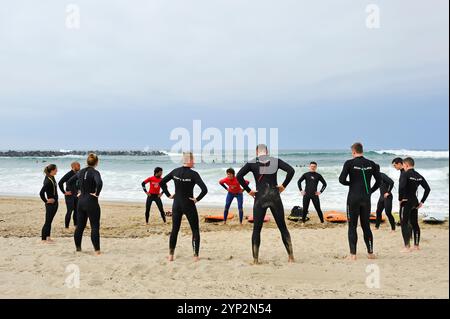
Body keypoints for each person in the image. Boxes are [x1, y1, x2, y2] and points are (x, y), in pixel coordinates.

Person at [236, 144, 295, 264]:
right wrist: (283, 186)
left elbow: (239, 176)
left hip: (260, 197)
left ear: (257, 152)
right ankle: (291, 257)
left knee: (257, 229)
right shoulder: (275, 161)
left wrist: (249, 190)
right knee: (282, 227)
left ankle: (255, 260)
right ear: (267, 151)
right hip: (274, 196)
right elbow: (291, 170)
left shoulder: (252, 163)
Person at [160, 152, 208, 262]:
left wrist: (168, 195)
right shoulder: (194, 174)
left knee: (174, 230)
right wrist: (197, 199)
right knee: (195, 230)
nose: (194, 162)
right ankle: (195, 256)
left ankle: (171, 255)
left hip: (176, 204)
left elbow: (162, 182)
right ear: (189, 160)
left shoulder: (175, 171)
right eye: (193, 159)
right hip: (189, 205)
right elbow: (204, 190)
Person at [339, 143, 381, 260]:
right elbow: (379, 181)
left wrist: (351, 183)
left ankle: (353, 255)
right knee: (366, 226)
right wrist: (370, 191)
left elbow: (341, 180)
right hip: (366, 198)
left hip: (353, 198)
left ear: (353, 151)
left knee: (352, 226)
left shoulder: (349, 163)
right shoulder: (371, 164)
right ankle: (370, 253)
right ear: (362, 150)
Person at [69, 153, 103, 255]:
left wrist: (76, 193)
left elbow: (69, 182)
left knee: (80, 226)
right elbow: (99, 183)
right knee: (95, 226)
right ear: (96, 162)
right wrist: (97, 194)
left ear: (87, 162)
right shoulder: (95, 172)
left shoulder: (81, 172)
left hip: (80, 202)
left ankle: (78, 249)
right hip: (91, 202)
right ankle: (97, 251)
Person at [399, 157, 431, 253]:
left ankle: (407, 247)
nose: (403, 167)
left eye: (404, 165)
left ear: (407, 165)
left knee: (404, 223)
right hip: (414, 201)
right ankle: (416, 246)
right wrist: (422, 202)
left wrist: (400, 199)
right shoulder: (418, 175)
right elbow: (427, 189)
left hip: (406, 201)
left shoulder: (405, 174)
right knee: (414, 223)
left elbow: (401, 187)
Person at [58, 162, 81, 229]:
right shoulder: (69, 174)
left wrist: (79, 190)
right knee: (69, 211)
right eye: (78, 165)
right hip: (69, 195)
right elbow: (60, 183)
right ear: (73, 166)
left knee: (76, 210)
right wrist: (64, 192)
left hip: (76, 195)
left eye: (79, 165)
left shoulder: (78, 173)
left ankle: (75, 225)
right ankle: (66, 226)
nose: (79, 166)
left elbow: (78, 183)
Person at [39, 164, 59, 243]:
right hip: (50, 204)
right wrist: (46, 200)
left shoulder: (51, 177)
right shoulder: (48, 181)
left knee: (49, 221)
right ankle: (44, 239)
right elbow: (41, 193)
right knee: (48, 221)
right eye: (56, 169)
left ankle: (48, 237)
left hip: (54, 203)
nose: (57, 170)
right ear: (52, 170)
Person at [374, 164, 396, 231]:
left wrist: (388, 192)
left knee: (388, 213)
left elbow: (391, 182)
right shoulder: (377, 177)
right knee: (378, 211)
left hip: (388, 197)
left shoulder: (382, 175)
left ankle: (393, 228)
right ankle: (376, 227)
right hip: (381, 197)